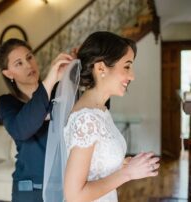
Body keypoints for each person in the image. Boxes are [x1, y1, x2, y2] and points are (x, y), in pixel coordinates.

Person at [44, 31, 160, 202]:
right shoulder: (87, 119)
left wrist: (123, 164)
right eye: (127, 66)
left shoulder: (101, 111)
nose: (132, 76)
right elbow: (75, 195)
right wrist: (127, 173)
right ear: (101, 69)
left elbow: (95, 165)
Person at [0, 38, 73, 202]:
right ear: (8, 73)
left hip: (66, 186)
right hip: (30, 192)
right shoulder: (7, 103)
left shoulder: (58, 94)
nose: (28, 65)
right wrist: (51, 80)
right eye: (19, 63)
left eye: (29, 57)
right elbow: (21, 129)